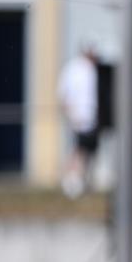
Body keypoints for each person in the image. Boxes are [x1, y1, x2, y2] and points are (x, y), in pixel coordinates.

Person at [58, 47, 99, 199]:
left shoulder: (92, 69)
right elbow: (63, 93)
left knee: (86, 150)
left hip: (91, 117)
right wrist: (70, 113)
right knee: (78, 149)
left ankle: (80, 180)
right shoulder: (74, 67)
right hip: (78, 117)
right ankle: (69, 180)